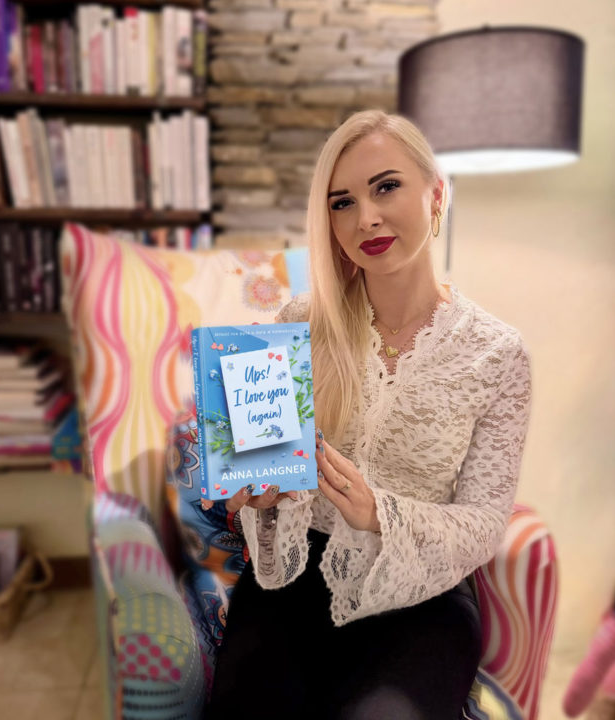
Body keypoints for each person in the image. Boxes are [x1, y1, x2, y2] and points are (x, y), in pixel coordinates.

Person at [206, 110, 532, 720]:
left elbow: (486, 520)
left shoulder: (498, 354)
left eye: (386, 187)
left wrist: (377, 513)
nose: (366, 219)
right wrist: (258, 496)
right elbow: (262, 479)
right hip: (290, 588)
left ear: (437, 195)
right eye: (342, 202)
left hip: (423, 600)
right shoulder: (297, 324)